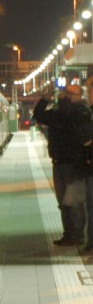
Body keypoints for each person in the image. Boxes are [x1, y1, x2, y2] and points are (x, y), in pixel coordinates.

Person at [33, 84, 92, 246]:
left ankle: (77, 235)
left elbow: (76, 121)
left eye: (70, 94)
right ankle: (69, 234)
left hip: (75, 164)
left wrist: (63, 103)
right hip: (58, 163)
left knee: (74, 202)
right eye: (66, 93)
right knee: (63, 202)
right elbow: (39, 115)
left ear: (80, 95)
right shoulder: (58, 112)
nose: (66, 96)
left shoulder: (82, 111)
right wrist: (45, 100)